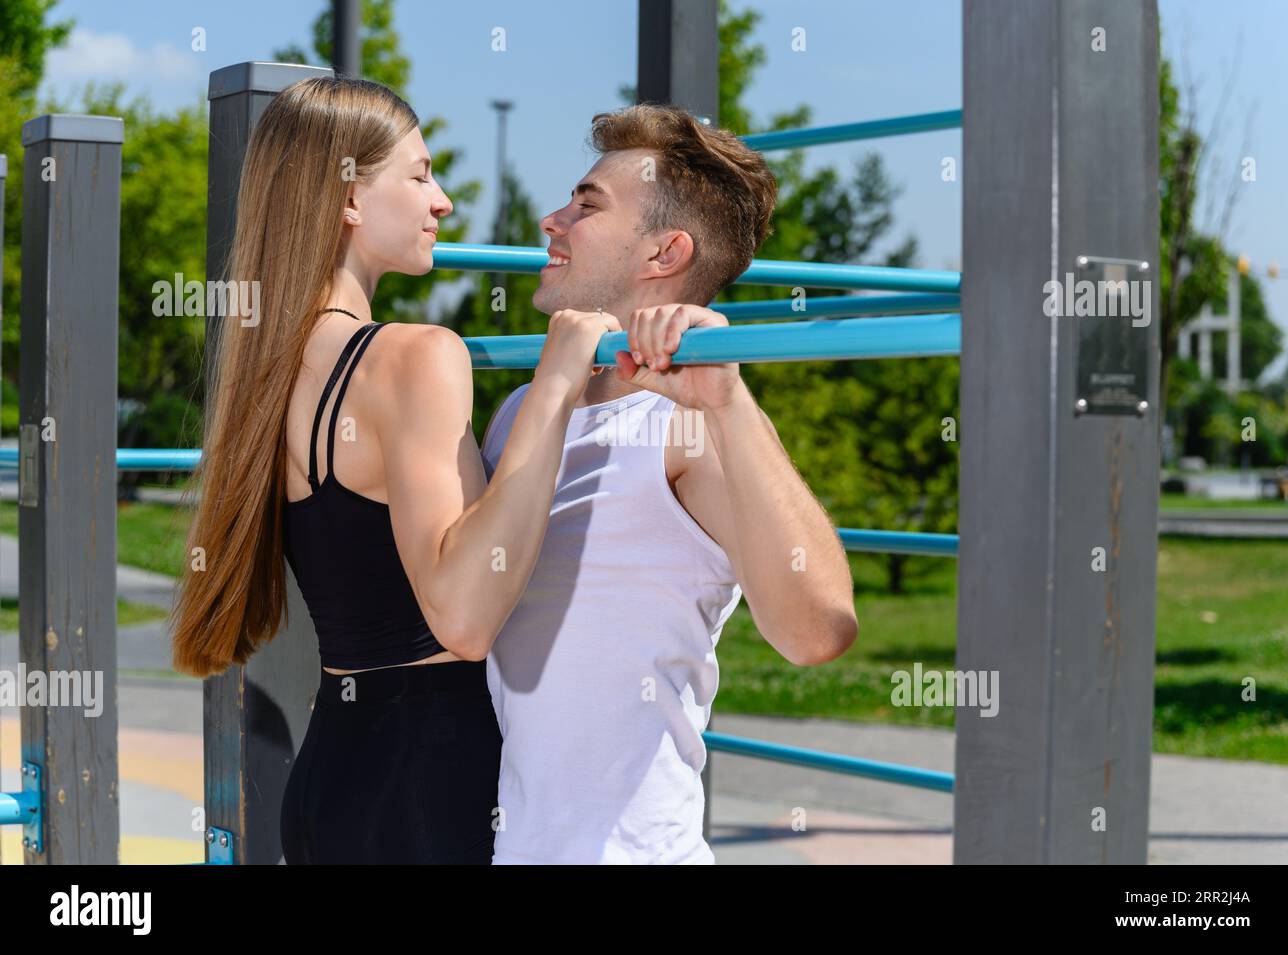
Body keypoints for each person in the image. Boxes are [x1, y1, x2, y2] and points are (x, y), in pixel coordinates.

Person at [167, 75, 618, 863]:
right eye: (419, 175)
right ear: (348, 197)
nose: (441, 202)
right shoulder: (415, 356)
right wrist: (555, 383)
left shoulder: (264, 373)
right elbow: (465, 617)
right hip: (431, 787)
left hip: (329, 774)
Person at [480, 104, 860, 864]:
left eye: (586, 206)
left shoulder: (695, 428)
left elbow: (819, 629)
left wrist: (726, 402)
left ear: (664, 251)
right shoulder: (524, 409)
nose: (552, 221)